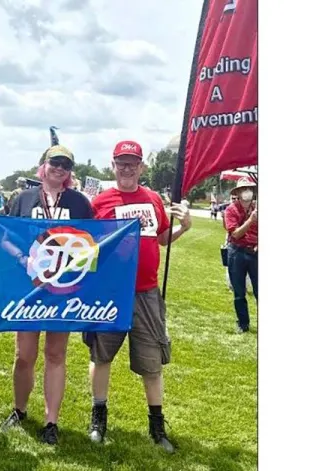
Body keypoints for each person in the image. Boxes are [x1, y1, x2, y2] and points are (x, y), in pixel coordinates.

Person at [83, 140, 191, 452]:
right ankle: (98, 417)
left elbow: (161, 238)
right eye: (121, 162)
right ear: (113, 165)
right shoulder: (99, 202)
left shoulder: (154, 199)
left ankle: (157, 426)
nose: (127, 168)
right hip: (110, 293)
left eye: (133, 162)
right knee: (101, 356)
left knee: (152, 361)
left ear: (141, 166)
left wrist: (184, 227)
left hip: (146, 293)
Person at [0, 144, 94, 445]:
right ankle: (19, 409)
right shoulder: (23, 198)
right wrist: (22, 259)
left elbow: (93, 244)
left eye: (66, 164)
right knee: (23, 354)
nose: (60, 168)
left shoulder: (80, 202)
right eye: (55, 162)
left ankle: (51, 421)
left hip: (63, 289)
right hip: (29, 287)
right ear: (44, 164)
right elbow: (4, 237)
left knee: (56, 353)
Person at [223, 178, 258, 333]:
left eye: (249, 188)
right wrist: (251, 220)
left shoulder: (258, 208)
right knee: (239, 291)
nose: (247, 192)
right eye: (244, 189)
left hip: (255, 252)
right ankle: (243, 323)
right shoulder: (230, 210)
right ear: (237, 192)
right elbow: (235, 234)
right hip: (236, 252)